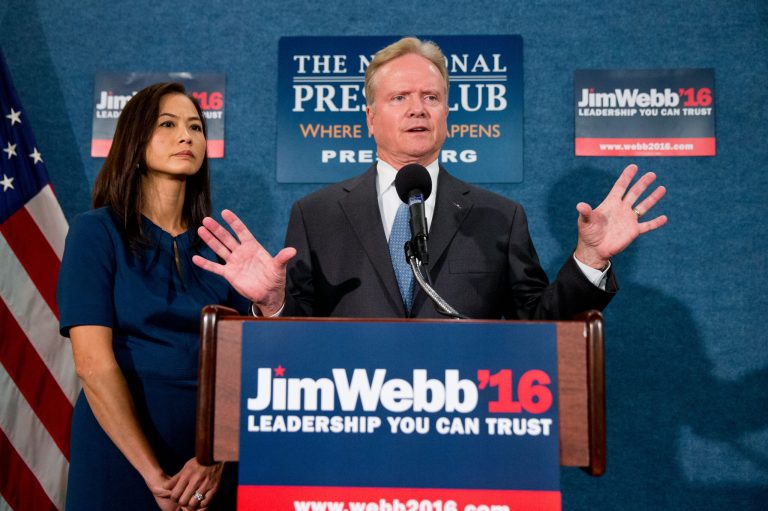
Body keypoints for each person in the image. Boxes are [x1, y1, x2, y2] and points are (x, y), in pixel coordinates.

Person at [192, 37, 667, 320]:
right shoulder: (315, 215)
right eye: (400, 97)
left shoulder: (498, 218)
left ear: (447, 116)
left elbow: (539, 327)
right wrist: (273, 304)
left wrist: (588, 258)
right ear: (370, 118)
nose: (418, 108)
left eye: (431, 97)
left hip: (464, 426)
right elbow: (293, 336)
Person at [57, 82, 249, 510]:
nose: (187, 136)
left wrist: (215, 457)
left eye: (196, 127)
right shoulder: (96, 232)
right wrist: (154, 477)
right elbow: (92, 365)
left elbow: (242, 368)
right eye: (168, 124)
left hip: (208, 465)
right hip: (120, 453)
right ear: (133, 140)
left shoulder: (221, 246)